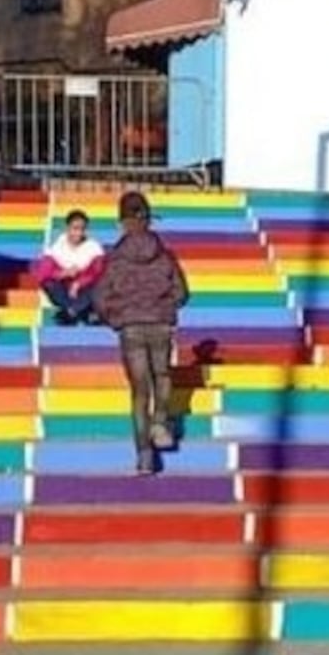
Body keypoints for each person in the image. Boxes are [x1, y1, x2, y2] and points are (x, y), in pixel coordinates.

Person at [93, 191, 190, 475]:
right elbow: (183, 293)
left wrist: (116, 319)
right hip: (160, 324)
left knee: (139, 392)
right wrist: (166, 308)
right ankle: (160, 420)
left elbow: (100, 298)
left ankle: (144, 457)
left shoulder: (114, 258)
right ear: (148, 220)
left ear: (121, 222)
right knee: (162, 375)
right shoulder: (165, 255)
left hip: (131, 329)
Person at [33, 210, 105, 325]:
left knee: (101, 283)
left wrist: (79, 283)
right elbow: (43, 273)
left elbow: (98, 271)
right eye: (75, 229)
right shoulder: (57, 247)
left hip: (84, 290)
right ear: (67, 228)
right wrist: (63, 273)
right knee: (48, 283)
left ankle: (72, 311)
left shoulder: (93, 247)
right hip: (64, 291)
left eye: (82, 229)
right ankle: (79, 310)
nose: (78, 233)